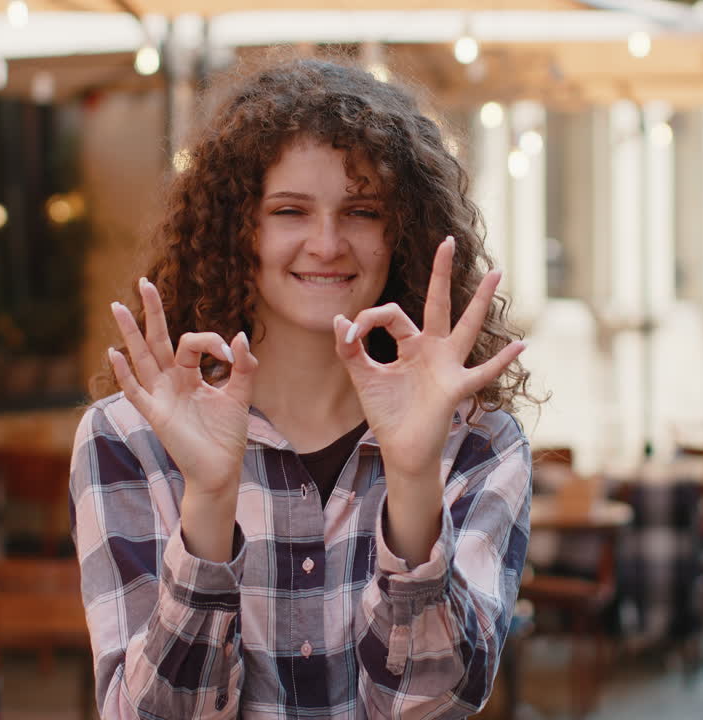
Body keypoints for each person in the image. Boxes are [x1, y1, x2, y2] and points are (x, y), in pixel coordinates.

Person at [69, 56, 536, 719]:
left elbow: (431, 704)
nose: (327, 243)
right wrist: (207, 502)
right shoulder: (129, 436)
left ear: (402, 230)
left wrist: (410, 479)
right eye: (289, 210)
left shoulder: (477, 439)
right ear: (238, 230)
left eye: (362, 211)